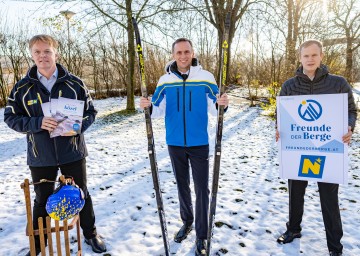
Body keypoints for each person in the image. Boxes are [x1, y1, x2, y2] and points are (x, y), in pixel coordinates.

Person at [4, 35, 106, 255]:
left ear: (56, 53)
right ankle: (40, 243)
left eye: (47, 51)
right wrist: (37, 122)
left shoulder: (75, 83)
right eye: (38, 52)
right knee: (42, 200)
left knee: (82, 194)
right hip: (40, 156)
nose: (43, 56)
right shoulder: (22, 88)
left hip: (73, 152)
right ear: (32, 55)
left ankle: (91, 233)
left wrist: (78, 126)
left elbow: (91, 112)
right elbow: (11, 118)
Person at [140, 38, 229, 256]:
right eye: (178, 52)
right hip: (175, 143)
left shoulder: (206, 77)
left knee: (201, 188)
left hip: (199, 142)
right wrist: (148, 106)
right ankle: (187, 221)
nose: (183, 56)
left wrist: (222, 105)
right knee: (182, 186)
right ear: (172, 55)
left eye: (186, 52)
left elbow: (214, 108)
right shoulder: (165, 80)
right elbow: (158, 109)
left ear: (192, 53)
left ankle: (201, 236)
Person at [276, 39, 357, 256]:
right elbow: (282, 114)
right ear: (300, 58)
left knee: (329, 198)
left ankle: (335, 246)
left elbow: (350, 109)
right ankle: (293, 229)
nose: (310, 59)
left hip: (327, 149)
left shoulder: (338, 83)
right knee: (295, 192)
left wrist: (349, 126)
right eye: (306, 56)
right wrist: (278, 128)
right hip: (298, 148)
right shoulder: (289, 85)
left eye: (314, 55)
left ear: (321, 56)